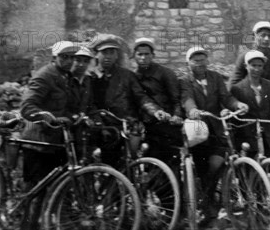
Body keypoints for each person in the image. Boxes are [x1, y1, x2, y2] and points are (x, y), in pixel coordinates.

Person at [180, 46, 249, 218]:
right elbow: (187, 99)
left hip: (217, 128)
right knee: (203, 168)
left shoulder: (215, 77)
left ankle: (211, 199)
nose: (200, 64)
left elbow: (226, 97)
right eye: (195, 61)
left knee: (216, 164)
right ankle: (207, 204)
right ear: (188, 63)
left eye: (203, 60)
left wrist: (236, 105)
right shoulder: (185, 81)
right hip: (198, 131)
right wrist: (193, 110)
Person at [20, 41, 79, 230]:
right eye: (64, 57)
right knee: (34, 195)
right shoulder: (45, 76)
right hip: (38, 142)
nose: (69, 61)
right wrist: (44, 116)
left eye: (72, 57)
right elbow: (27, 106)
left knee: (55, 192)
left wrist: (72, 118)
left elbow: (67, 107)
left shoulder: (67, 77)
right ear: (55, 58)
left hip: (56, 142)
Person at [88, 37, 165, 166]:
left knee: (132, 159)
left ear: (117, 55)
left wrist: (155, 111)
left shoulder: (127, 75)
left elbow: (141, 97)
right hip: (103, 126)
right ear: (96, 54)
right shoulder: (90, 77)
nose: (108, 56)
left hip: (126, 124)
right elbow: (88, 103)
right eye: (104, 52)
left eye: (112, 52)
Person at [132, 37, 183, 161]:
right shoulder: (133, 76)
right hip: (146, 124)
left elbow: (176, 98)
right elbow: (139, 99)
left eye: (146, 54)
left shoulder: (165, 73)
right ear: (134, 56)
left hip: (166, 123)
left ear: (153, 55)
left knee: (168, 158)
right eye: (140, 54)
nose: (143, 58)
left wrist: (177, 115)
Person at [231, 50, 270, 159]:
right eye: (253, 65)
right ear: (246, 66)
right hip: (248, 136)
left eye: (260, 66)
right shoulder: (238, 88)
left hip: (268, 135)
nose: (257, 69)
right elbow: (234, 112)